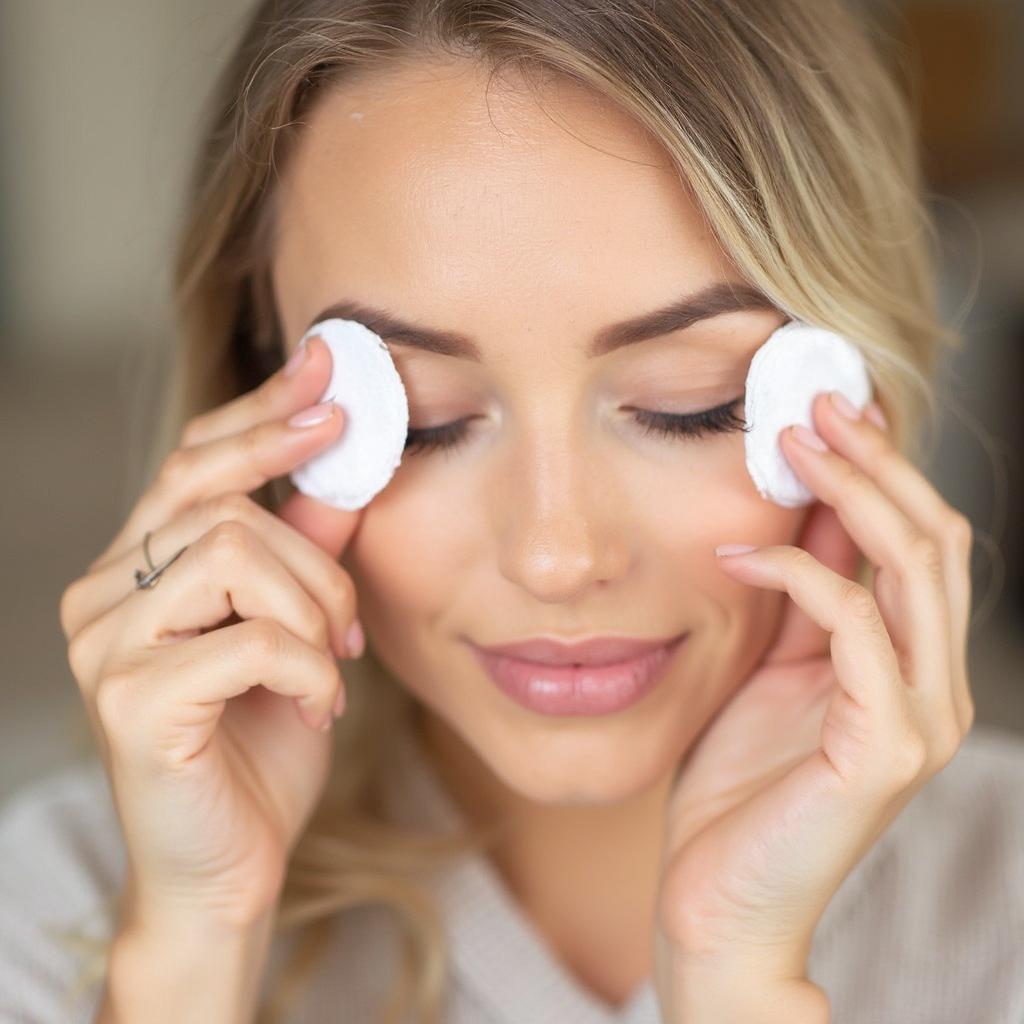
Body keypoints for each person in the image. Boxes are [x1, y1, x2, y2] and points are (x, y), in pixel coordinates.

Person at [2, 1, 1023, 1021]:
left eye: (689, 402)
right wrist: (189, 953)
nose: (556, 555)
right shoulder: (54, 904)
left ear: (851, 384)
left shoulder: (999, 911)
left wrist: (734, 975)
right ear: (255, 392)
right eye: (418, 420)